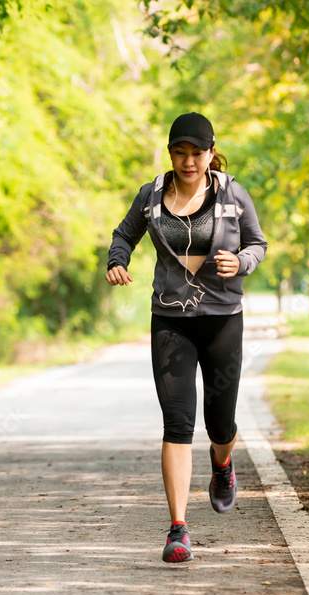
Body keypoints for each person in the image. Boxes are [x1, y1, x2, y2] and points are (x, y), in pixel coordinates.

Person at [104, 112, 267, 563]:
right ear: (171, 152)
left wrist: (243, 263)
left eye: (198, 153)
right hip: (171, 319)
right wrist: (117, 261)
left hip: (221, 319)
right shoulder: (152, 195)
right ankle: (178, 529)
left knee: (220, 424)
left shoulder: (233, 193)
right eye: (181, 152)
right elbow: (124, 235)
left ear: (211, 153)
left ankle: (222, 464)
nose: (189, 161)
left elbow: (257, 244)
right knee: (177, 422)